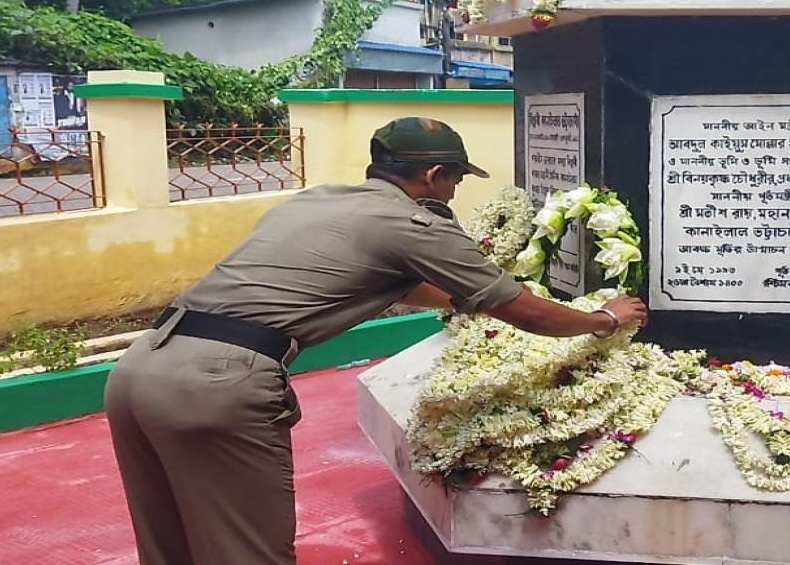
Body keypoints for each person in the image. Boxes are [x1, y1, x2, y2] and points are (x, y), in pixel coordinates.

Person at [103, 116, 650, 565]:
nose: (456, 188)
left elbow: (388, 283)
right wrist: (604, 316)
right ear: (434, 174)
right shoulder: (410, 224)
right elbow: (531, 315)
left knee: (169, 547)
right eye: (456, 177)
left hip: (140, 370)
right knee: (244, 551)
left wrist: (469, 298)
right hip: (217, 384)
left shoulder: (316, 202)